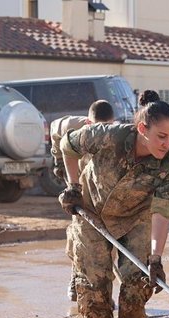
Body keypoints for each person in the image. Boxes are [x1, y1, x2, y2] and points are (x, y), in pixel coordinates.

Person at [58, 90, 169, 318]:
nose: (167, 143)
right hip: (91, 214)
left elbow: (162, 212)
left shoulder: (168, 162)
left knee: (139, 280)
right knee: (95, 285)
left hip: (134, 219)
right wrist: (73, 187)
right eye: (161, 136)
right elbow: (67, 145)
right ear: (142, 129)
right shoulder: (107, 136)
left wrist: (156, 257)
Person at [51, 100, 115, 303]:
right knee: (79, 231)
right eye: (96, 127)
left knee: (106, 237)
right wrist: (59, 164)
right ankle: (76, 278)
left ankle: (104, 291)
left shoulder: (115, 132)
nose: (101, 131)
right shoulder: (72, 125)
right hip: (78, 176)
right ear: (88, 122)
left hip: (101, 179)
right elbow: (55, 131)